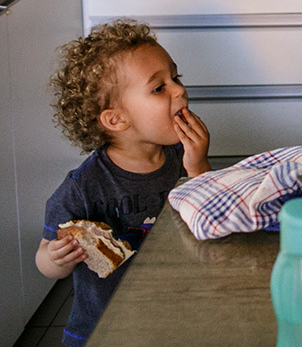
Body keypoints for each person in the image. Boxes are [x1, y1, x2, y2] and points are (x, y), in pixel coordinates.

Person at [35, 20, 211, 347]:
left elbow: (209, 216)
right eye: (159, 88)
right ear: (116, 119)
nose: (179, 91)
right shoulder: (84, 187)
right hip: (104, 330)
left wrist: (198, 165)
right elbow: (45, 256)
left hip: (173, 315)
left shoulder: (180, 157)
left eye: (176, 78)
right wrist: (56, 259)